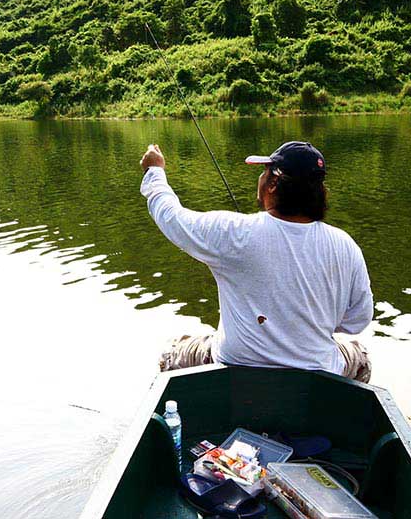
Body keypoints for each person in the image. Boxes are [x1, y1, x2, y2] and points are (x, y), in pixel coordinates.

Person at [140, 141, 373, 383]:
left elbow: (171, 217)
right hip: (319, 375)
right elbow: (358, 320)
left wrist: (154, 170)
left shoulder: (234, 232)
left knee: (172, 353)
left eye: (264, 172)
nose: (260, 178)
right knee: (361, 358)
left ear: (272, 184)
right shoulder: (346, 246)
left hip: (234, 370)